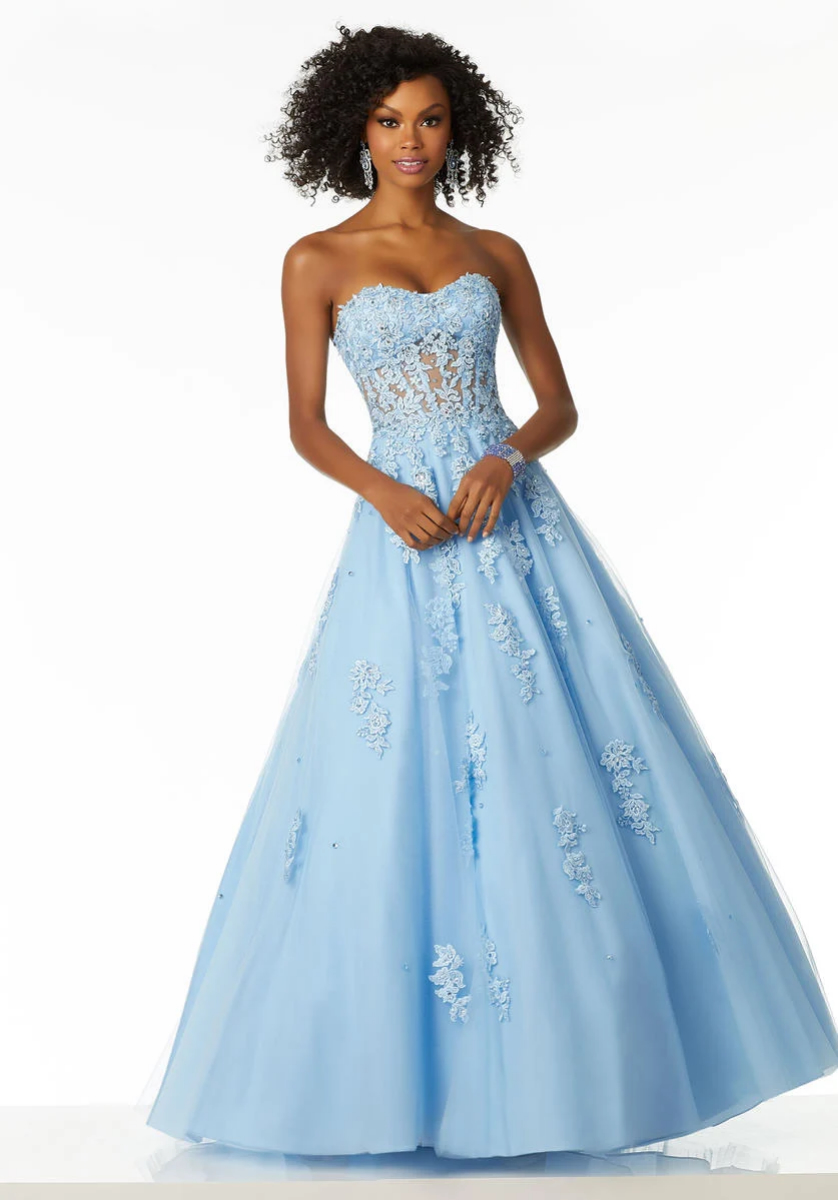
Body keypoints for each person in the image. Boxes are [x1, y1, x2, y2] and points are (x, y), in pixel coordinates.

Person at [143, 23, 838, 1159]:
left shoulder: (496, 250)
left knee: (554, 764)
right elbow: (306, 424)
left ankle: (576, 1076)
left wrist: (504, 458)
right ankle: (398, 1087)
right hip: (402, 538)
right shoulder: (317, 259)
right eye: (388, 121)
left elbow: (558, 403)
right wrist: (383, 490)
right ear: (355, 132)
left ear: (455, 127)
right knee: (390, 778)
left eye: (428, 119)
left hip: (510, 525)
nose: (409, 140)